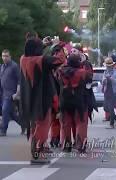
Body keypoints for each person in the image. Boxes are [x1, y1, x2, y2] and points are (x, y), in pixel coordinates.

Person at [20, 33, 66, 163]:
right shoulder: (42, 61)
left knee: (35, 125)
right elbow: (60, 60)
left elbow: (34, 51)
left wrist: (45, 45)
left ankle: (37, 150)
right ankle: (37, 152)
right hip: (42, 99)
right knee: (43, 125)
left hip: (29, 99)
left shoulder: (23, 59)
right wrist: (57, 45)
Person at [59, 54, 91, 153]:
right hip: (79, 100)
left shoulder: (61, 71)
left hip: (65, 100)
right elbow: (89, 79)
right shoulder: (82, 72)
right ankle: (80, 145)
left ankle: (66, 145)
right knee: (81, 123)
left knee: (66, 123)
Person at [0, 49, 24, 136]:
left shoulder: (14, 66)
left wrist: (17, 93)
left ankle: (3, 130)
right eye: (3, 56)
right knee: (12, 113)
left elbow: (19, 80)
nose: (5, 58)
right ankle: (24, 126)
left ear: (10, 57)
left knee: (5, 110)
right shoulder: (2, 66)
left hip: (11, 94)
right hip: (3, 93)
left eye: (6, 56)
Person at [102, 57, 116, 128]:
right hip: (107, 91)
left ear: (112, 65)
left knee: (111, 108)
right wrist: (104, 80)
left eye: (109, 66)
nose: (108, 67)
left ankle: (111, 124)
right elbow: (102, 81)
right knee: (105, 107)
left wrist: (113, 79)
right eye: (107, 66)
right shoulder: (105, 72)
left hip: (114, 92)